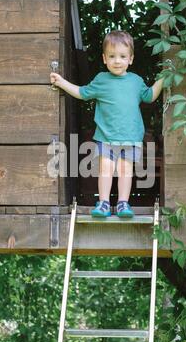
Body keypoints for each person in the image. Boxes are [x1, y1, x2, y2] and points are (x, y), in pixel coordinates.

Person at [50, 30, 165, 218]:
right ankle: (103, 203)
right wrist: (62, 82)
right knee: (105, 171)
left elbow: (150, 96)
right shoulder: (102, 80)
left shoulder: (136, 81)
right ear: (104, 58)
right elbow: (82, 93)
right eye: (112, 56)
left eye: (122, 56)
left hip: (130, 138)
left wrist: (163, 79)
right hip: (106, 137)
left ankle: (122, 204)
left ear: (131, 59)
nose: (117, 61)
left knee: (125, 172)